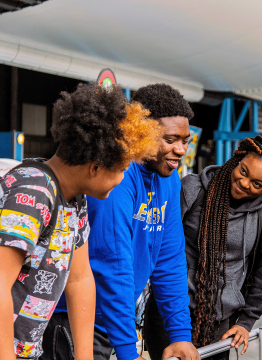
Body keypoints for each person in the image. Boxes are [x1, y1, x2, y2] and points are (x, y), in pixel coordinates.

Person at [0, 82, 161, 359]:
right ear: (95, 167)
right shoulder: (33, 194)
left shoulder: (73, 199)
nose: (121, 181)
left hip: (9, 346)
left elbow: (79, 279)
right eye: (121, 170)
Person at [44, 83, 200, 360]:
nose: (180, 149)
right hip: (75, 322)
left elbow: (170, 259)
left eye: (185, 140)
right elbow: (111, 264)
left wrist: (179, 334)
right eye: (170, 139)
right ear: (143, 132)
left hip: (116, 322)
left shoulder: (169, 179)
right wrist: (128, 350)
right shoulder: (116, 177)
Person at [144, 135, 262, 360]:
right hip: (169, 313)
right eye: (244, 171)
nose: (245, 183)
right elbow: (158, 246)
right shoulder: (193, 189)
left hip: (221, 322)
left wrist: (246, 322)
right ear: (238, 158)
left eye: (257, 184)